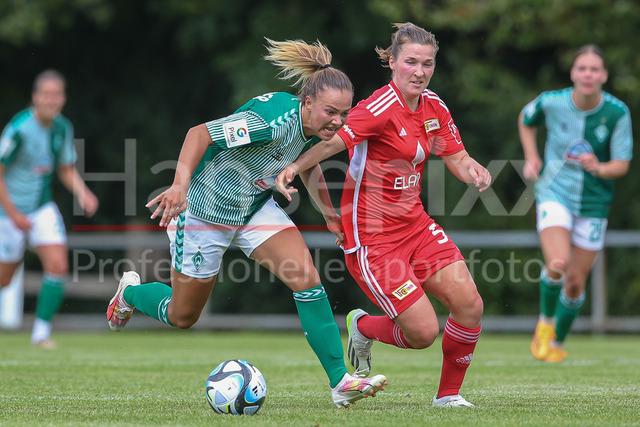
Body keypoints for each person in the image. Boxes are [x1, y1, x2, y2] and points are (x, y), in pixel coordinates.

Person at [106, 38, 387, 408]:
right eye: (330, 112)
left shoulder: (313, 130)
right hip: (203, 214)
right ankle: (129, 294)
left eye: (344, 113)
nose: (337, 121)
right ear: (307, 102)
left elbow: (306, 165)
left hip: (254, 209)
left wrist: (329, 215)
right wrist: (179, 185)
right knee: (183, 315)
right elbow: (199, 134)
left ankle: (340, 382)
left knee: (306, 279)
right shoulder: (269, 122)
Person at [276, 23, 491, 407]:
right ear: (392, 62)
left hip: (417, 227)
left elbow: (456, 156)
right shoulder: (378, 108)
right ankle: (362, 326)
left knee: (470, 305)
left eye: (427, 64)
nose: (420, 72)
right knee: (423, 333)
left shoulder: (434, 106)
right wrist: (294, 166)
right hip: (373, 239)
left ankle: (448, 396)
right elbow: (332, 144)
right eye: (411, 62)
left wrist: (473, 168)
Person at [519, 45, 633, 363]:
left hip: (595, 203)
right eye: (582, 68)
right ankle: (545, 324)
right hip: (554, 192)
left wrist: (599, 167)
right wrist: (532, 157)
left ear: (604, 76)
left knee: (574, 283)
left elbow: (622, 165)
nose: (588, 74)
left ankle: (557, 342)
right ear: (572, 73)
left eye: (594, 69)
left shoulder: (617, 112)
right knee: (558, 263)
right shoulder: (552, 102)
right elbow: (526, 119)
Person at [0, 69, 99, 348]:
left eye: (56, 95)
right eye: (46, 94)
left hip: (41, 207)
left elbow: (65, 168)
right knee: (4, 279)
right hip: (8, 211)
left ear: (63, 98)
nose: (51, 100)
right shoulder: (19, 129)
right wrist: (14, 214)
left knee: (58, 266)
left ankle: (40, 334)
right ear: (35, 97)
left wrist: (83, 193)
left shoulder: (62, 127)